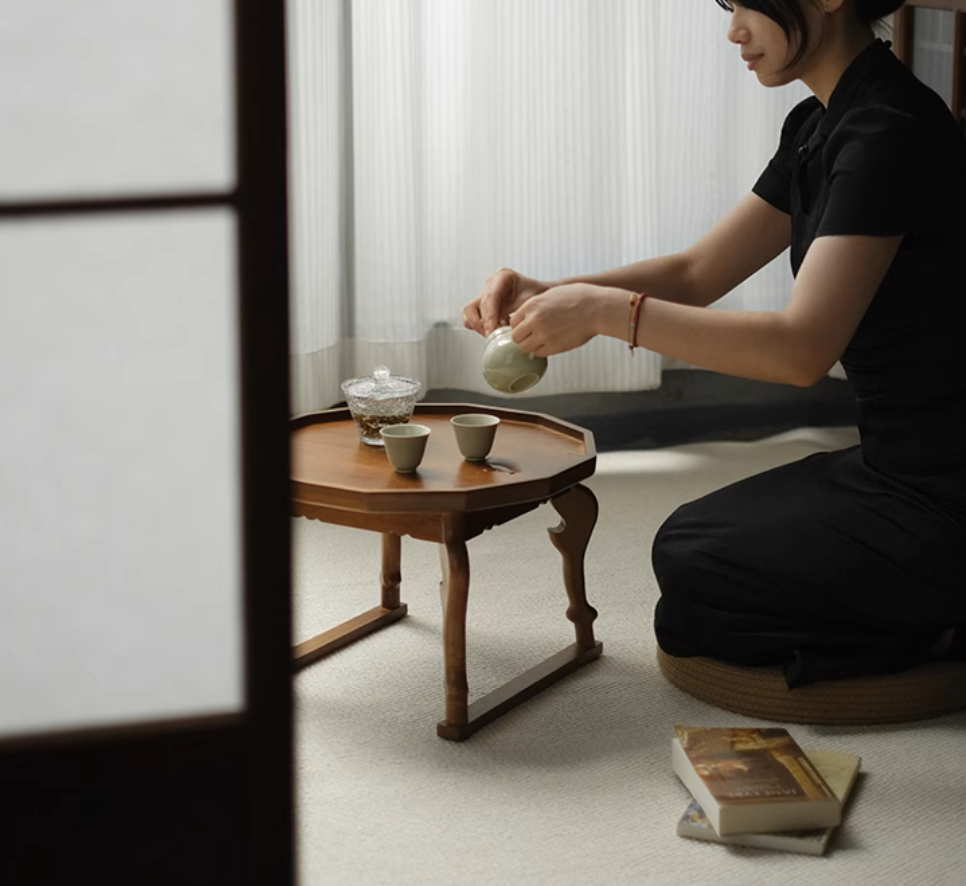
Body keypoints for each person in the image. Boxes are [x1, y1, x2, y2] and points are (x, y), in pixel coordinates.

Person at [461, 0, 966, 688]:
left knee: (700, 577)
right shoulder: (822, 123)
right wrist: (547, 291)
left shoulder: (889, 131)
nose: (732, 30)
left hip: (944, 489)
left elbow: (799, 350)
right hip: (892, 463)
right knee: (689, 550)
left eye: (747, 6)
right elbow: (696, 275)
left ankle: (945, 628)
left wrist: (606, 312)